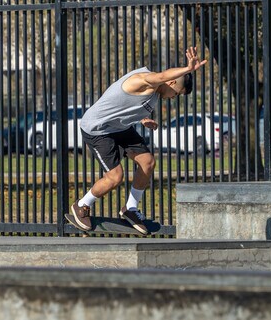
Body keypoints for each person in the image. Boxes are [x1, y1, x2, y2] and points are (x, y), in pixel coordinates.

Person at [70, 47, 208, 234]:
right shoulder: (144, 80)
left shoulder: (156, 93)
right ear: (172, 82)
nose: (173, 98)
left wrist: (142, 118)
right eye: (176, 93)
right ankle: (82, 205)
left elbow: (126, 104)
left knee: (147, 161)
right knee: (115, 177)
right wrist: (187, 69)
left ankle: (130, 208)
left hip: (120, 127)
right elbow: (160, 76)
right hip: (98, 128)